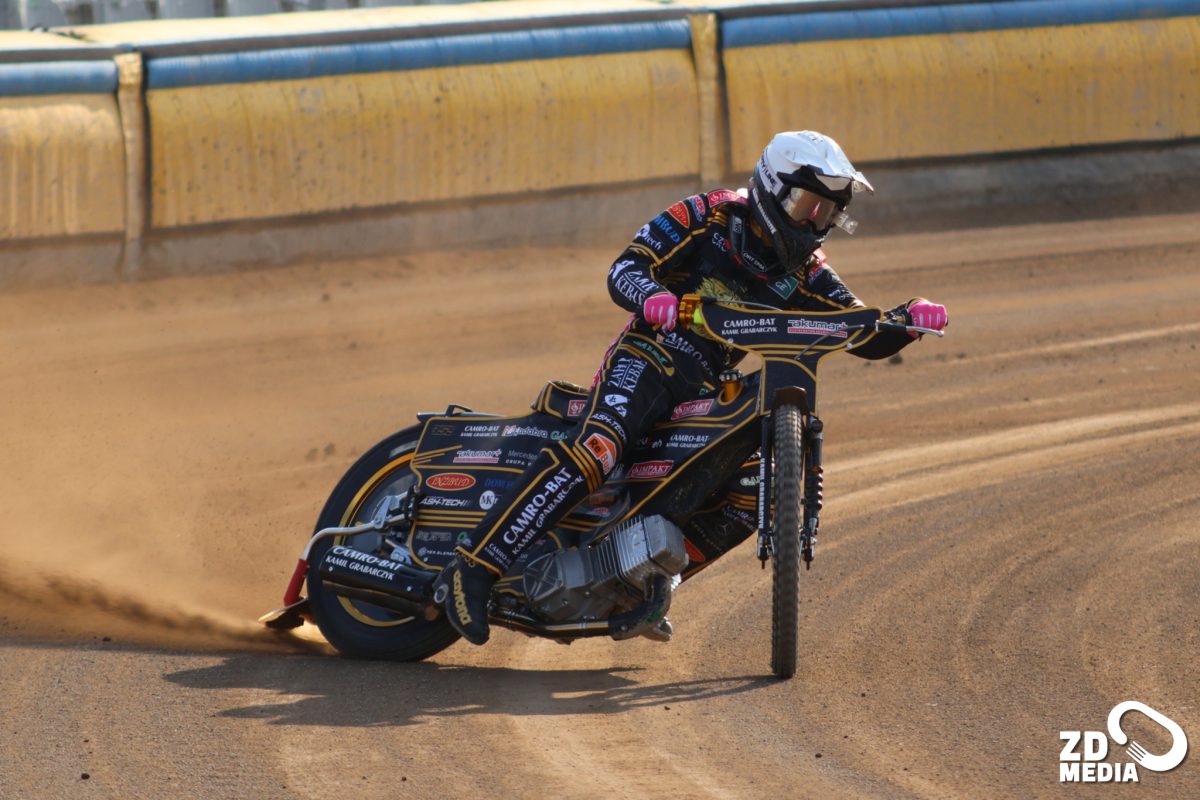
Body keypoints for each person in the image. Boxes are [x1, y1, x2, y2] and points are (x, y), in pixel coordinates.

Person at [433, 130, 948, 645]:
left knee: (754, 490)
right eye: (806, 205)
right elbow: (625, 268)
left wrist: (908, 318)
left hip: (708, 386)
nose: (814, 223)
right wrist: (651, 295)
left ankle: (639, 583)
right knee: (600, 447)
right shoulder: (707, 213)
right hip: (650, 355)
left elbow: (858, 328)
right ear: (771, 187)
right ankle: (473, 567)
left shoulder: (810, 272)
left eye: (827, 212)